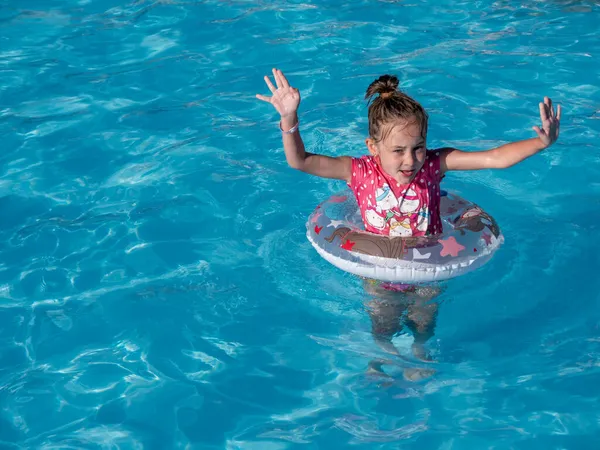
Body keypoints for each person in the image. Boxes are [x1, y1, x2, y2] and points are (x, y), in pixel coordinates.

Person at [256, 68, 561, 379]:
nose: (410, 160)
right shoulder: (357, 171)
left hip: (428, 269)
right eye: (398, 150)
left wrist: (540, 143)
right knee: (383, 324)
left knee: (424, 322)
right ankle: (379, 360)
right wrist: (289, 119)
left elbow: (493, 158)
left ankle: (419, 351)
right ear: (373, 147)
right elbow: (301, 161)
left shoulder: (433, 165)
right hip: (379, 272)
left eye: (418, 147)